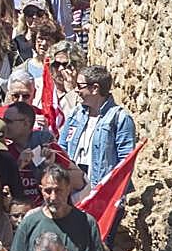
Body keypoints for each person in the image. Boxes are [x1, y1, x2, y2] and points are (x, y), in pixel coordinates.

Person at [58, 66, 136, 199]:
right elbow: (62, 148)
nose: (76, 90)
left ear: (95, 88)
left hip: (103, 192)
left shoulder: (119, 118)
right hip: (75, 189)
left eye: (80, 86)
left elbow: (125, 163)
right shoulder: (76, 114)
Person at [8, 166, 107, 251]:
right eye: (48, 191)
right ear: (41, 190)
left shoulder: (87, 223)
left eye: (58, 190)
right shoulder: (29, 223)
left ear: (68, 189)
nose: (53, 197)